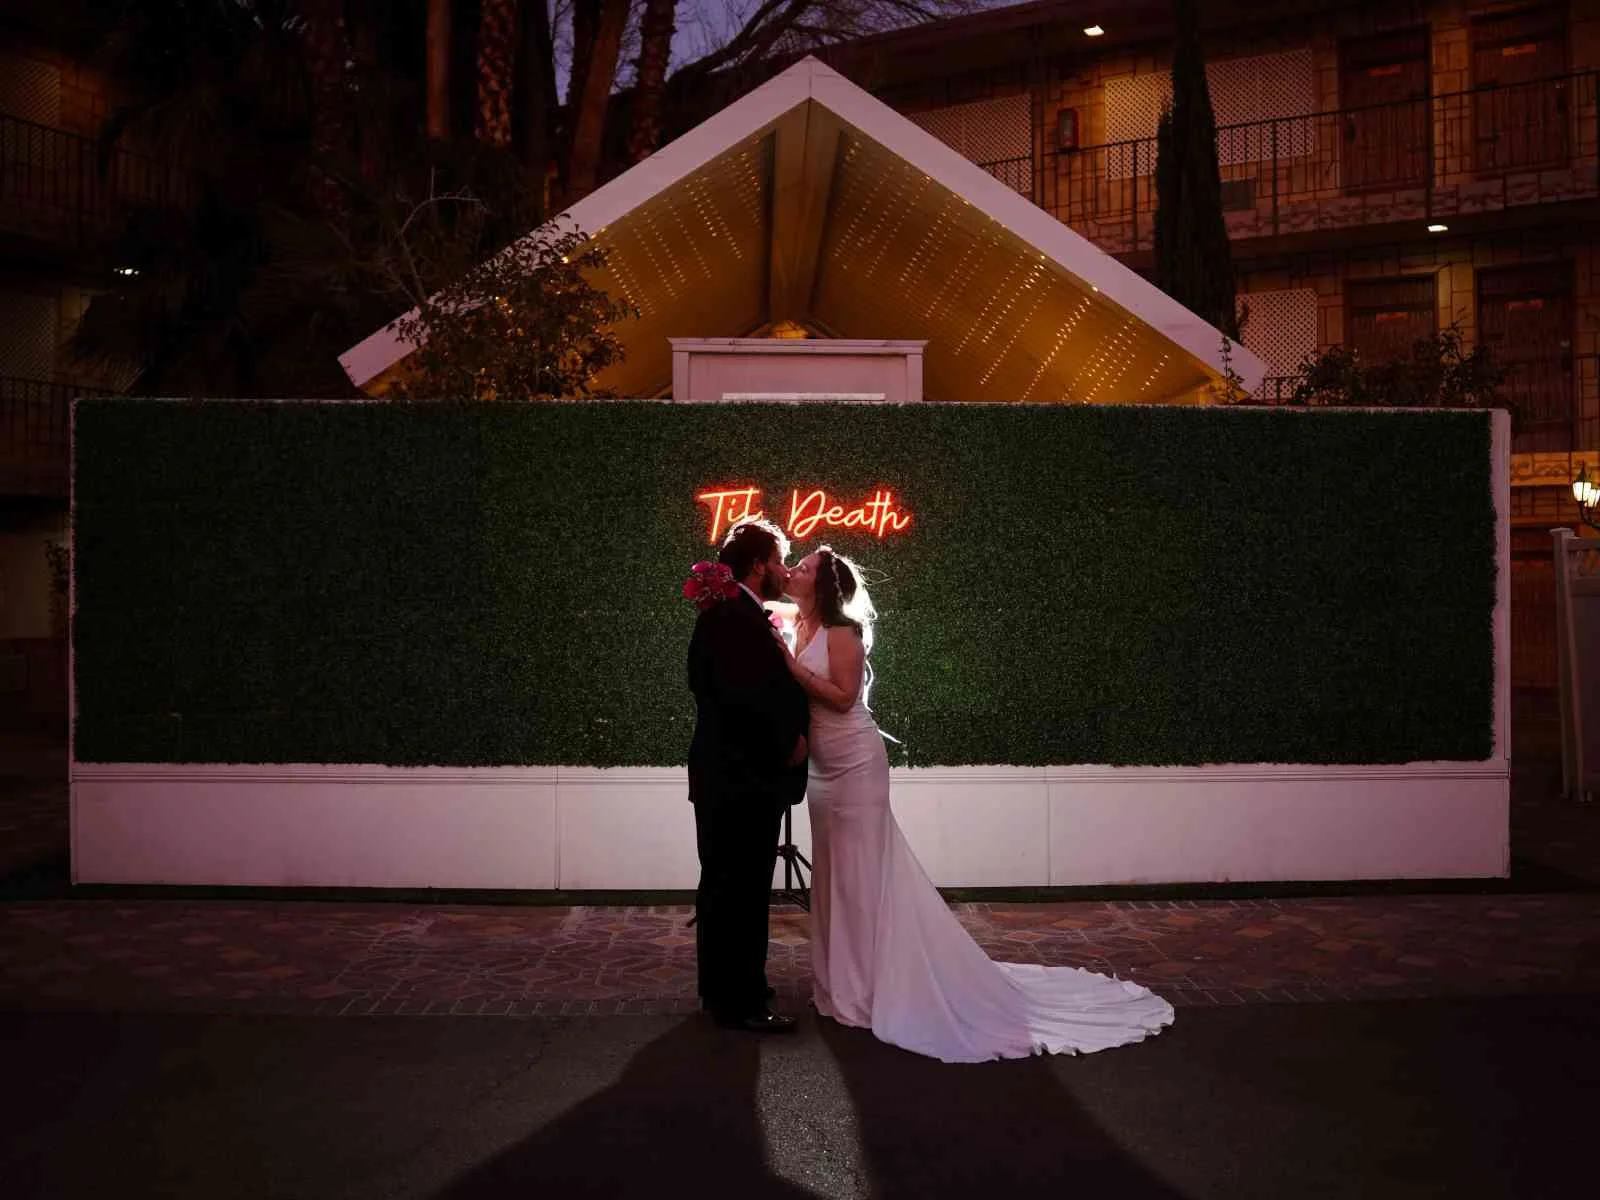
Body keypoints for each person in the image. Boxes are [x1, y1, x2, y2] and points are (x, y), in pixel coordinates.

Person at [779, 546, 1175, 1063]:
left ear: (823, 587)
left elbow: (843, 698)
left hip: (855, 766)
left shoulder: (841, 632)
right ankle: (839, 985)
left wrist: (789, 664)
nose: (792, 571)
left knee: (861, 878)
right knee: (834, 876)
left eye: (803, 568)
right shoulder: (799, 627)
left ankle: (873, 984)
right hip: (822, 773)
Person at [686, 519, 810, 1033]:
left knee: (721, 885)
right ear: (758, 565)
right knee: (742, 891)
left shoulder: (727, 612)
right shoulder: (735, 616)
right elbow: (745, 700)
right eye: (781, 560)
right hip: (743, 779)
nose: (784, 570)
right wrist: (790, 746)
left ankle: (723, 991)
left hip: (723, 776)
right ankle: (743, 1002)